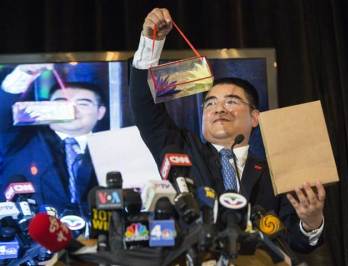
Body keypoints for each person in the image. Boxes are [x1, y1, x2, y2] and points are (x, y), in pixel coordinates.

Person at [131, 8, 326, 254]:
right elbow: (143, 107)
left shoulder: (275, 172)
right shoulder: (180, 149)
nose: (218, 109)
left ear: (255, 117)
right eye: (210, 103)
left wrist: (311, 221)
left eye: (231, 102)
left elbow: (296, 241)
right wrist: (151, 42)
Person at [0, 64, 106, 218]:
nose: (72, 109)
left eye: (83, 103)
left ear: (100, 112)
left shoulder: (113, 148)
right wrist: (23, 74)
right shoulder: (20, 140)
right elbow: (2, 115)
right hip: (32, 237)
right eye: (61, 103)